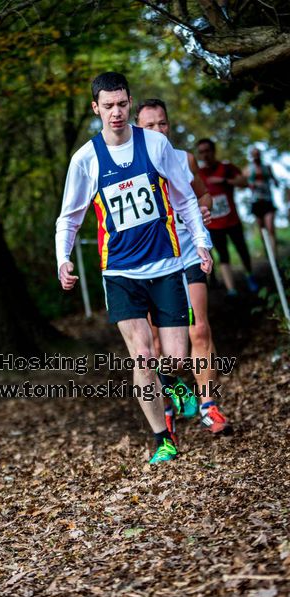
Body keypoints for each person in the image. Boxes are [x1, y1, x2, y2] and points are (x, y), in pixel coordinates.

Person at [56, 72, 213, 464]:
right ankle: (163, 438)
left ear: (130, 103)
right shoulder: (86, 158)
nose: (115, 112)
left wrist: (202, 243)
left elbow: (186, 199)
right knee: (142, 356)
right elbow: (69, 217)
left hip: (166, 266)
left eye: (122, 104)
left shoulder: (156, 144)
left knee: (175, 357)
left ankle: (175, 384)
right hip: (121, 273)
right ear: (95, 108)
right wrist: (63, 258)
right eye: (107, 106)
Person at [135, 99, 232, 440]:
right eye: (149, 125)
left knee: (199, 330)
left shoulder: (183, 158)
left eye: (162, 123)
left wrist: (204, 213)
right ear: (137, 129)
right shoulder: (130, 166)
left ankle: (209, 406)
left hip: (188, 255)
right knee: (159, 348)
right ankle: (169, 404)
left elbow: (203, 196)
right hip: (151, 262)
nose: (158, 130)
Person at [196, 138, 258, 296]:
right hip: (214, 225)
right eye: (201, 152)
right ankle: (231, 290)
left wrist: (224, 180)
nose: (205, 155)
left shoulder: (226, 167)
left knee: (242, 251)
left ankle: (250, 277)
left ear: (213, 151)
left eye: (207, 151)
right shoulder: (199, 174)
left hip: (232, 220)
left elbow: (244, 182)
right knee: (223, 255)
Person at [244, 147, 278, 257]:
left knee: (270, 228)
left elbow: (275, 181)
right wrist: (251, 184)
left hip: (268, 200)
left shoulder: (267, 167)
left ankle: (274, 254)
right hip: (256, 201)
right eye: (254, 154)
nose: (256, 156)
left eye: (257, 154)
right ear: (251, 156)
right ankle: (268, 252)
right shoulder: (248, 169)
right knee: (262, 230)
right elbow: (244, 184)